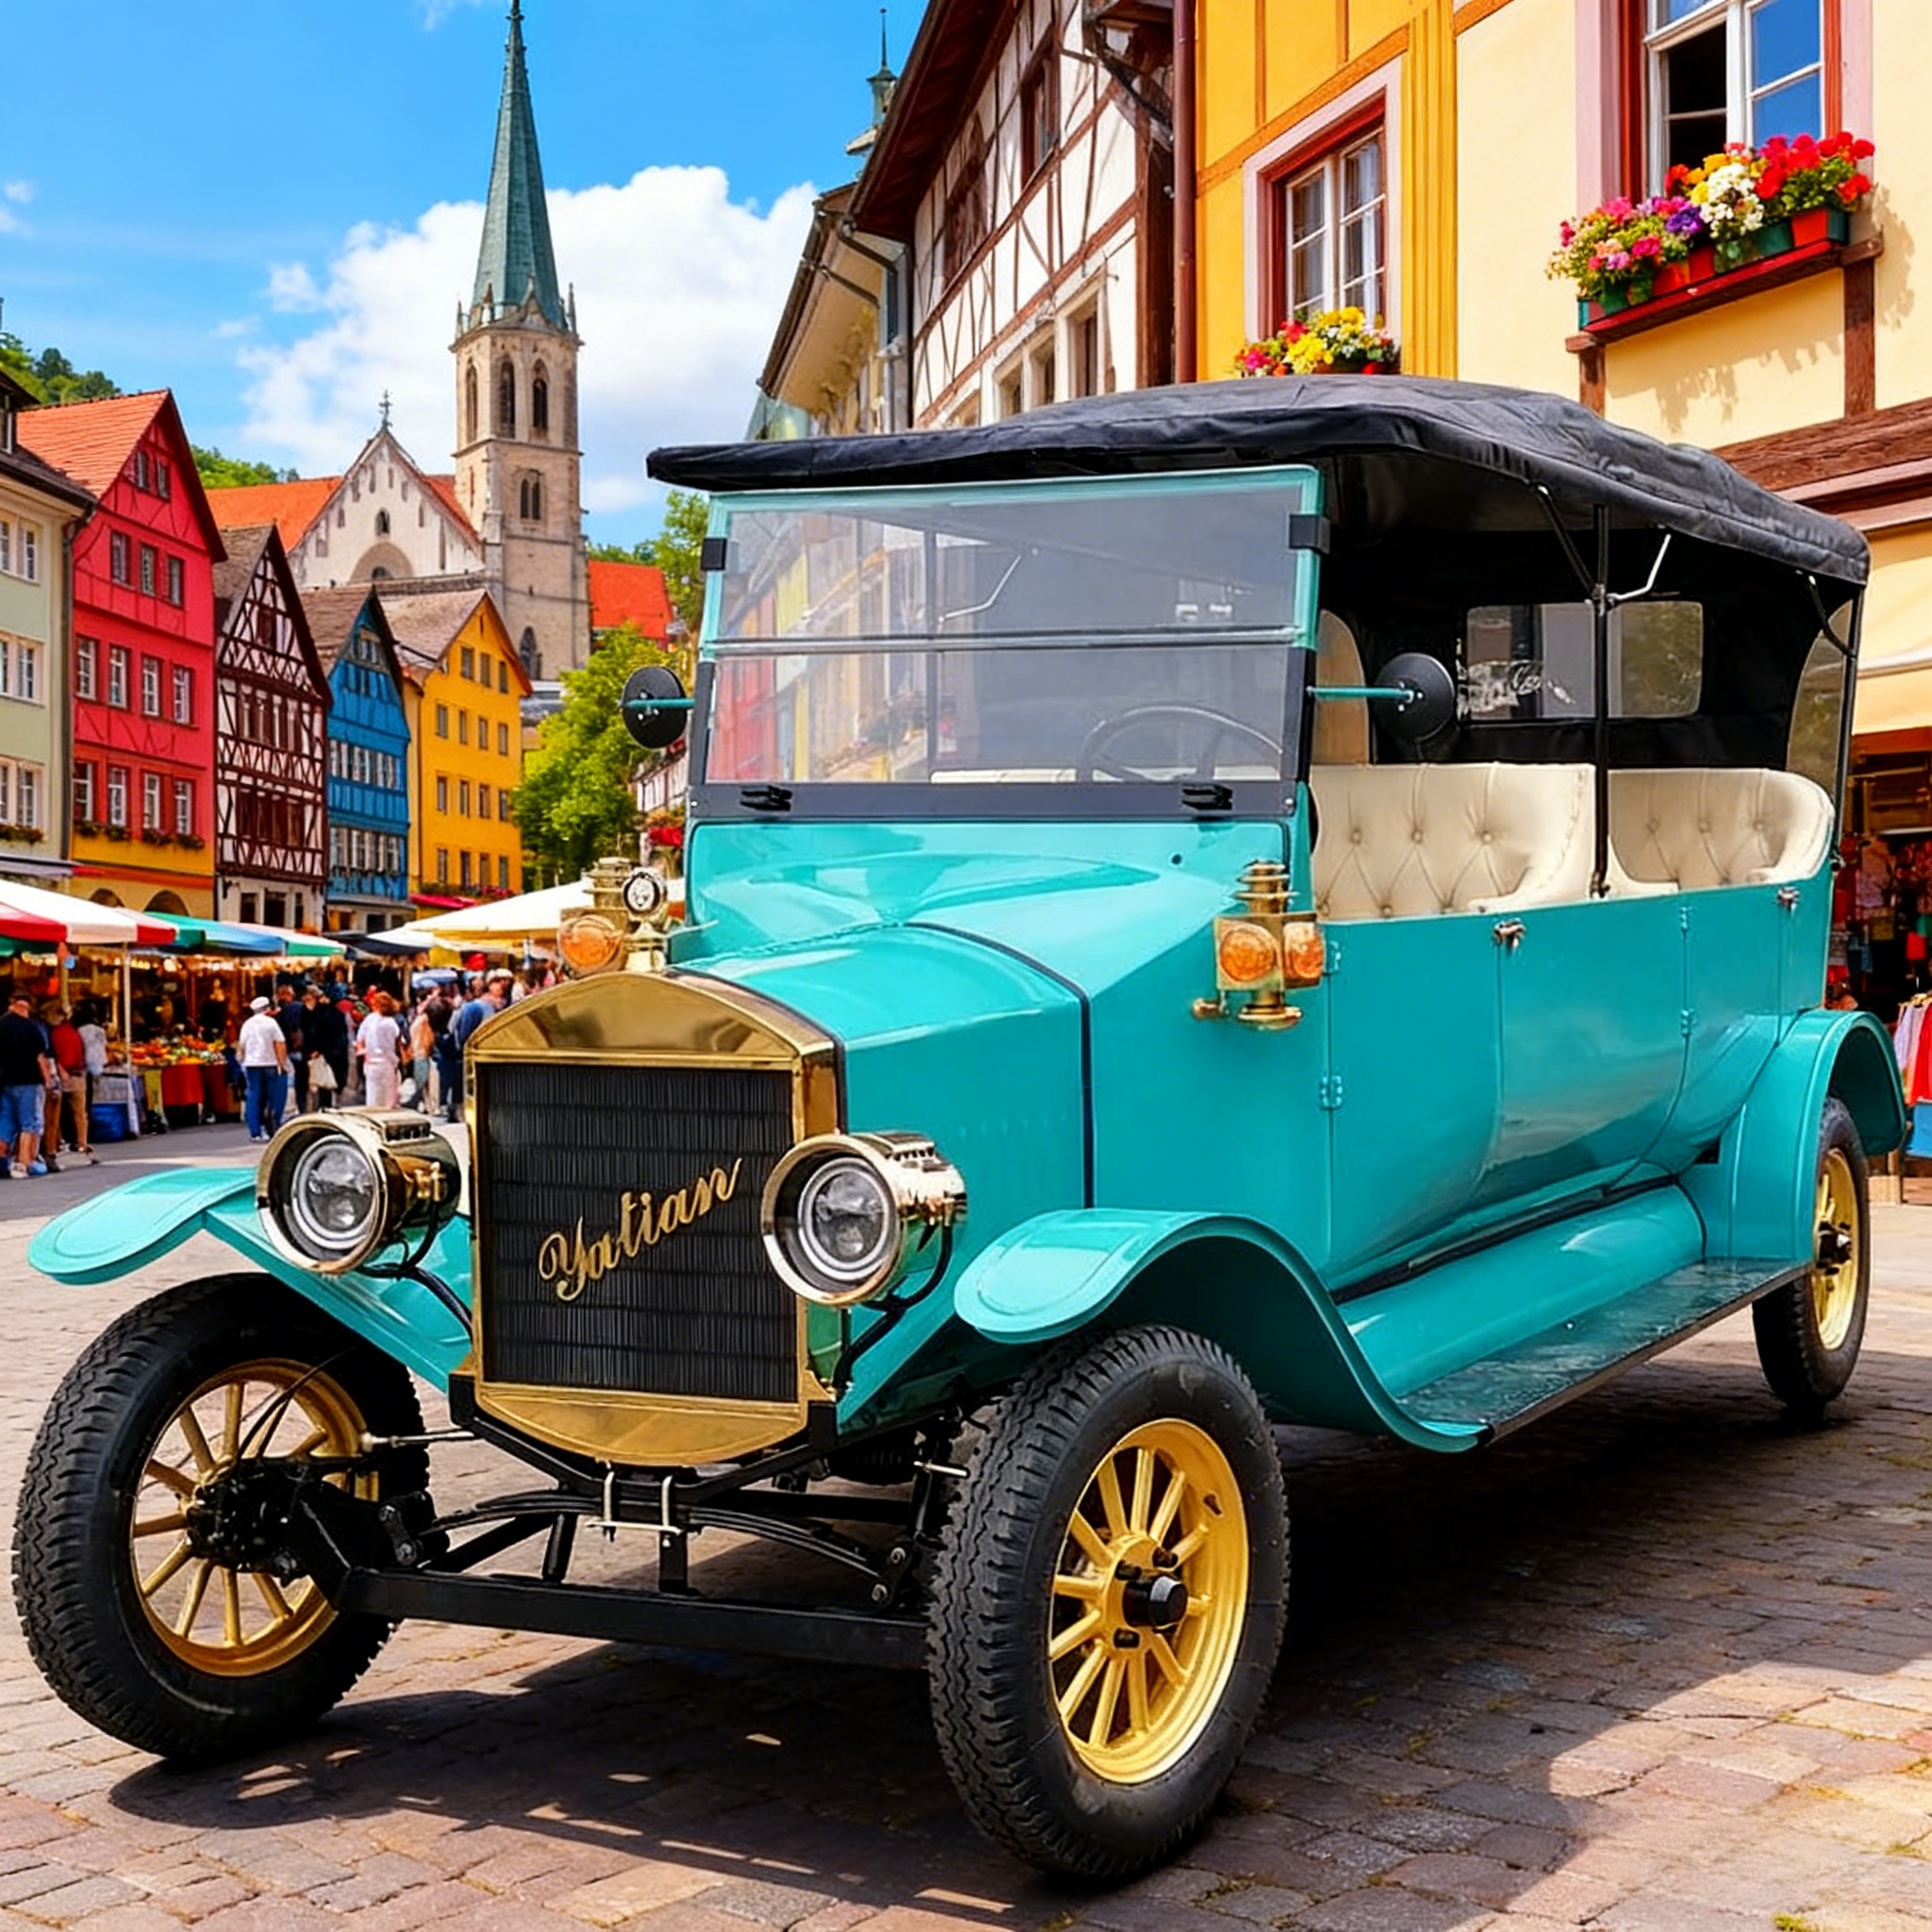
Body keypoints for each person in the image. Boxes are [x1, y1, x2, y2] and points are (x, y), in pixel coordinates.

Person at [0, 992, 53, 1177]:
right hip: (29, 1081)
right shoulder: (31, 1028)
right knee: (28, 1123)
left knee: (5, 1123)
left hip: (6, 1082)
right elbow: (40, 1058)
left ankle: (1, 1161)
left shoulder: (1, 1025)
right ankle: (24, 1163)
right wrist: (48, 1080)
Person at [450, 969, 512, 1113]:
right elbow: (465, 1036)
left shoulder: (506, 1007)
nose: (502, 985)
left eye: (506, 981)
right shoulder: (475, 1007)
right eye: (497, 981)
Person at [47, 1005, 93, 1164]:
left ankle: (55, 1144)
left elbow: (54, 1055)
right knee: (80, 1113)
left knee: (54, 1113)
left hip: (64, 1074)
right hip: (79, 1074)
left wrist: (60, 1071)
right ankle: (83, 1143)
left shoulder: (56, 1034)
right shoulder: (74, 1032)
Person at [238, 995, 288, 1142]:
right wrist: (281, 1063)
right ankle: (270, 1128)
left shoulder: (247, 1024)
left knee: (253, 1096)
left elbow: (242, 1045)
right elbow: (280, 1043)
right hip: (269, 1063)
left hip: (252, 1064)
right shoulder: (271, 1023)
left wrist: (243, 1061)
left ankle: (255, 1132)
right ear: (267, 1009)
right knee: (271, 1098)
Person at [301, 986, 350, 1110]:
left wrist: (320, 1050)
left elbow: (325, 1033)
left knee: (325, 1083)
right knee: (324, 1083)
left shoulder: (326, 1013)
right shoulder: (329, 1012)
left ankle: (325, 1107)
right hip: (328, 1053)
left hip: (327, 1054)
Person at [357, 990, 406, 1108]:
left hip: (370, 1063)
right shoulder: (391, 1023)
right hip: (387, 1063)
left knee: (372, 1096)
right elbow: (396, 1044)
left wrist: (364, 1052)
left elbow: (359, 1039)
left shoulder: (369, 1019)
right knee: (388, 1100)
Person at [274, 982, 308, 1115]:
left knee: (290, 1079)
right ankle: (302, 1105)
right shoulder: (301, 1008)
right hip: (301, 1049)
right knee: (301, 1081)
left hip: (288, 1050)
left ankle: (292, 1107)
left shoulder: (281, 1013)